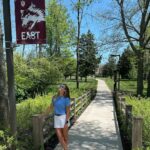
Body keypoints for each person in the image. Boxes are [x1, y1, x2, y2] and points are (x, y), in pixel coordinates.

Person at [44, 84, 70, 150]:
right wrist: (43, 114)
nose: (60, 88)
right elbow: (50, 107)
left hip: (63, 118)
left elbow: (68, 111)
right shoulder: (54, 97)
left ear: (64, 90)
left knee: (65, 137)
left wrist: (66, 121)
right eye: (60, 86)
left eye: (62, 87)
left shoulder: (66, 99)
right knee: (60, 137)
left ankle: (65, 148)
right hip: (56, 118)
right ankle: (66, 148)